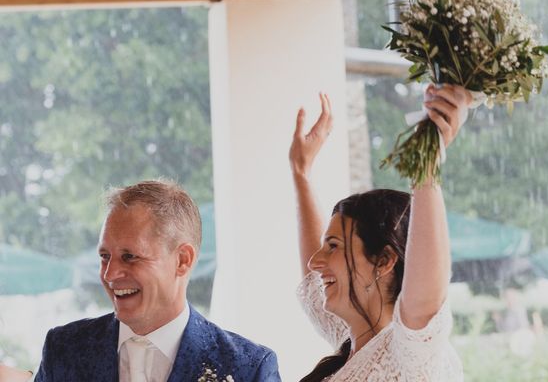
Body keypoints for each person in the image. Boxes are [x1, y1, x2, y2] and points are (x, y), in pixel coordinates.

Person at [289, 86, 468, 381]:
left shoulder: (408, 352)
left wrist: (426, 164)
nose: (315, 262)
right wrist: (300, 172)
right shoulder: (352, 339)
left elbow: (425, 299)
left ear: (384, 260)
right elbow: (313, 288)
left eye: (333, 246)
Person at [34, 180, 281, 382]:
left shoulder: (248, 369)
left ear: (182, 260)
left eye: (129, 257)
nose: (110, 274)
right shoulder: (64, 349)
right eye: (104, 256)